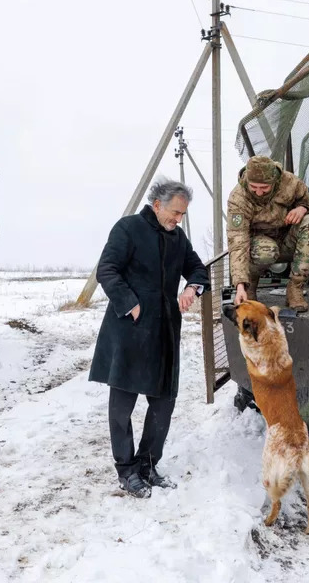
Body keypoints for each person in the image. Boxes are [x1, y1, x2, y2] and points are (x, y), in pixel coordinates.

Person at [89, 179, 208, 498]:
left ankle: (147, 464)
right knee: (122, 405)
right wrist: (130, 304)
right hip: (129, 329)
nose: (178, 219)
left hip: (165, 330)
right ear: (157, 205)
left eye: (182, 214)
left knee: (163, 403)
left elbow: (198, 268)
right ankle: (126, 470)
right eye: (175, 212)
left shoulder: (178, 238)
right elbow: (107, 270)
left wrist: (191, 287)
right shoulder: (127, 229)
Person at [227, 155, 309, 312]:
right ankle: (250, 286)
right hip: (260, 245)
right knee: (265, 250)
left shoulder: (291, 183)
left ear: (274, 181)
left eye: (264, 188)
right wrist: (240, 285)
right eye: (254, 187)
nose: (258, 193)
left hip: (288, 239)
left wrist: (304, 208)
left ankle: (295, 288)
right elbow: (238, 240)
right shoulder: (238, 198)